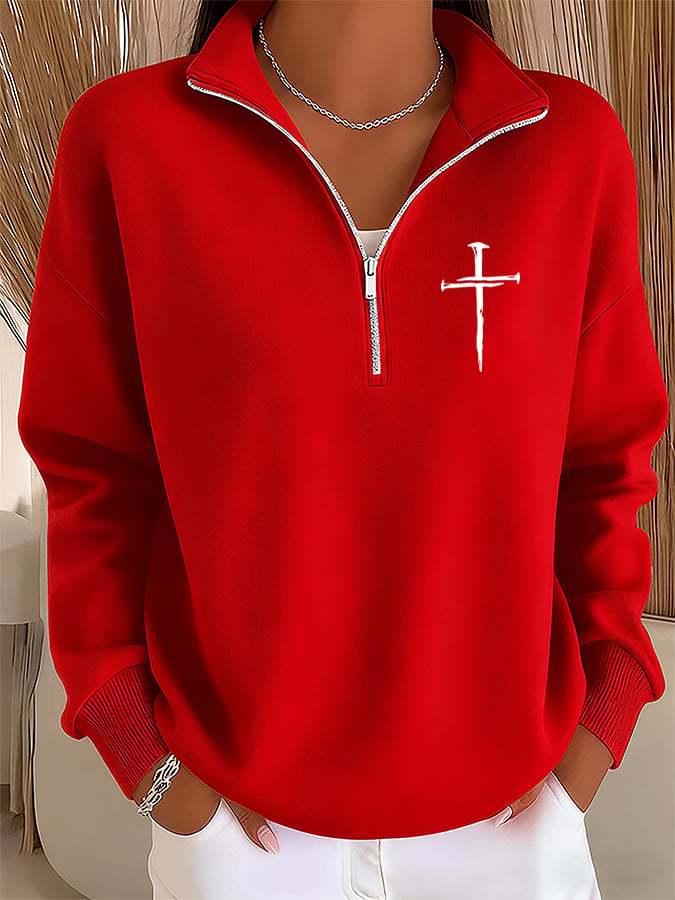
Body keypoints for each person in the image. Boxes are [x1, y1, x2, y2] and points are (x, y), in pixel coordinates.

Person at [17, 0, 669, 897]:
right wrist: (153, 770)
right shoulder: (131, 142)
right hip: (240, 843)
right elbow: (93, 471)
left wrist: (594, 734)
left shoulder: (566, 146)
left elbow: (604, 465)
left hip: (515, 830)